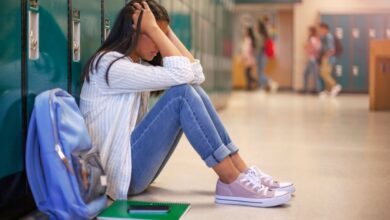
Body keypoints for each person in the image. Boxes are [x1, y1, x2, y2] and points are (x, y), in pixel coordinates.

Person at [80, 0, 294, 208]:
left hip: (128, 168)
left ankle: (241, 173)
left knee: (192, 90)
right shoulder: (109, 65)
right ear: (133, 32)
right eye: (154, 35)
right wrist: (155, 30)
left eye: (163, 36)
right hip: (116, 176)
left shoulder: (136, 64)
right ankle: (230, 180)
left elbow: (196, 76)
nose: (160, 44)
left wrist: (163, 29)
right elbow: (183, 74)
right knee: (181, 95)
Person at [318, 23, 342, 97]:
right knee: (325, 74)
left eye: (322, 29)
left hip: (329, 58)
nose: (320, 30)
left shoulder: (329, 37)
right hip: (325, 58)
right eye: (320, 29)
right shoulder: (322, 37)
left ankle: (335, 85)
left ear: (326, 29)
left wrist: (325, 56)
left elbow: (332, 50)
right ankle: (328, 90)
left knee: (324, 74)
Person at [256, 21, 278, 92]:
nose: (256, 28)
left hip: (262, 55)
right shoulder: (264, 36)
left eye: (257, 26)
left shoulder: (261, 36)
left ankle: (271, 82)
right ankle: (266, 86)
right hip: (262, 55)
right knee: (259, 73)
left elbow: (260, 47)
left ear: (260, 27)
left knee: (260, 73)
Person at [302, 26, 322, 94]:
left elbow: (315, 48)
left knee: (309, 75)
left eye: (309, 31)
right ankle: (316, 90)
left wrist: (307, 49)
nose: (308, 32)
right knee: (312, 75)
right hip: (313, 59)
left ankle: (307, 90)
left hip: (312, 59)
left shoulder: (313, 39)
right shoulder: (316, 39)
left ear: (311, 31)